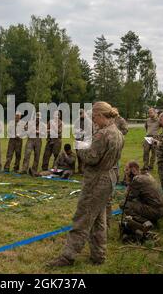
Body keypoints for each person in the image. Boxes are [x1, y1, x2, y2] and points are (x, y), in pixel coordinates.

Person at [47, 102, 124, 267]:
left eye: (94, 117)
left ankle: (68, 256)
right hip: (109, 177)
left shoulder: (103, 134)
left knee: (82, 218)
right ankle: (98, 255)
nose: (94, 121)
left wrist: (79, 147)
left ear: (101, 115)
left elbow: (91, 158)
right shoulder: (117, 132)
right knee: (99, 219)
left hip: (97, 180)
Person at [120, 161, 163, 243]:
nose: (125, 172)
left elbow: (127, 197)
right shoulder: (147, 175)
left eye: (127, 170)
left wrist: (129, 181)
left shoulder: (137, 180)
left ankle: (145, 222)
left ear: (133, 170)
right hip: (160, 209)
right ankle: (150, 220)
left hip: (154, 211)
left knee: (124, 204)